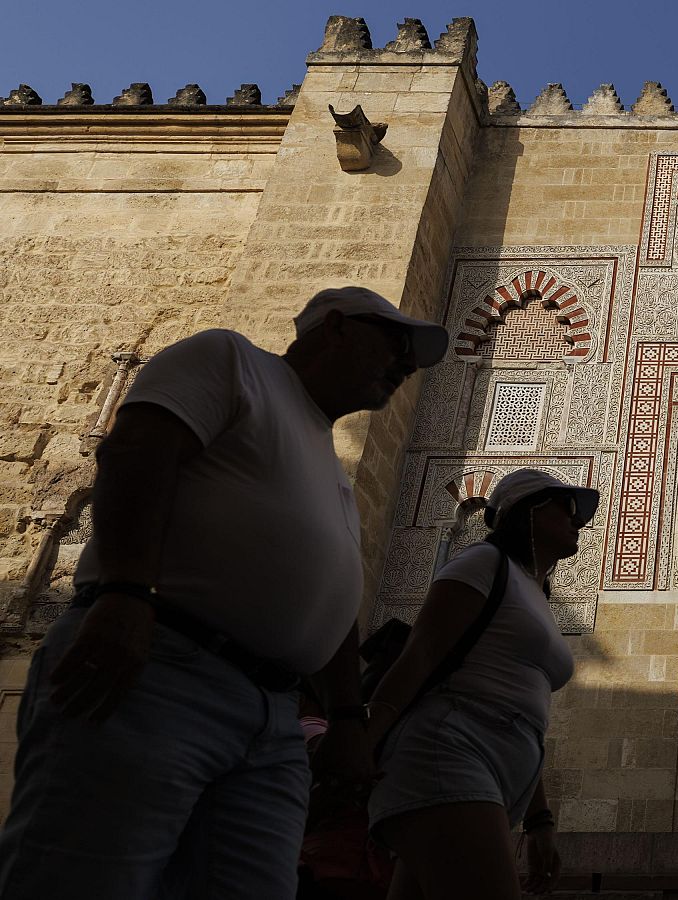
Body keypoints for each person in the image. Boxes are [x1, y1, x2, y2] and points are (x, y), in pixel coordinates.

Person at [0, 286, 448, 899]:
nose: (406, 365)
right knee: (88, 874)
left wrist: (346, 717)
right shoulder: (233, 362)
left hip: (272, 717)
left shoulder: (325, 460)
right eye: (396, 343)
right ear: (336, 326)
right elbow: (137, 450)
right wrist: (125, 591)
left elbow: (333, 596)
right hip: (163, 668)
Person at [358, 468, 592, 900]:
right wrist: (361, 740)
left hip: (494, 772)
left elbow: (520, 711)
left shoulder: (535, 594)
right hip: (449, 751)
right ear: (530, 510)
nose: (578, 518)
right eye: (568, 506)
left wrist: (539, 819)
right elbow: (421, 655)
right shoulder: (483, 562)